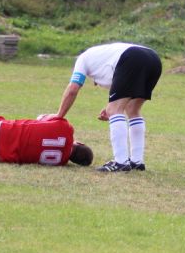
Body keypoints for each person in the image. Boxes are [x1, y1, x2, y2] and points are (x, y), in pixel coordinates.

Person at [44, 42, 162, 173]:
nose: (95, 84)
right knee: (132, 110)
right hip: (153, 59)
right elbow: (122, 91)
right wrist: (110, 108)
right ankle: (137, 162)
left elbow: (73, 88)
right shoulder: (103, 57)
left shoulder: (82, 59)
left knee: (115, 110)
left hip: (132, 57)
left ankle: (121, 162)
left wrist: (59, 115)